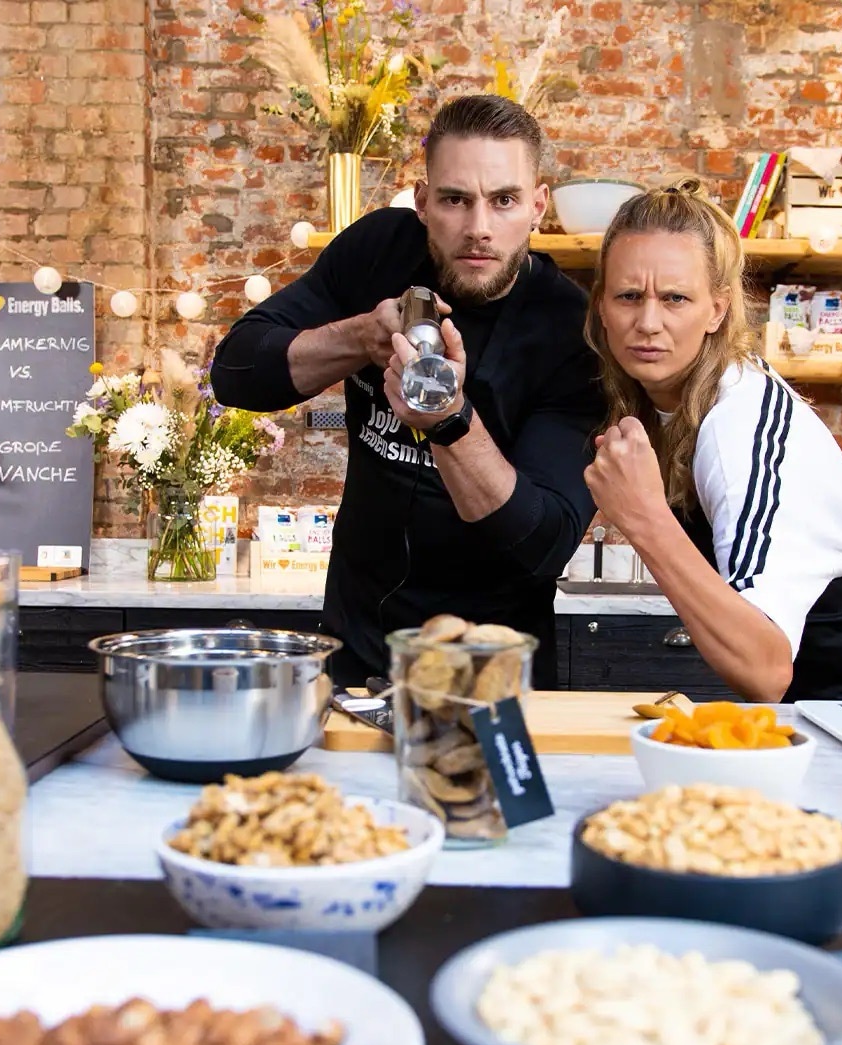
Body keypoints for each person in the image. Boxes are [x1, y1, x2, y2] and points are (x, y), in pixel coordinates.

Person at [210, 95, 603, 689]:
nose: (479, 229)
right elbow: (237, 372)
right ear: (421, 202)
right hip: (356, 643)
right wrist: (361, 336)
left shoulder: (569, 331)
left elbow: (543, 543)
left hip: (489, 663)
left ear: (537, 206)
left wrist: (449, 421)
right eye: (454, 200)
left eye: (504, 201)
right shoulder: (378, 251)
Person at [581, 177, 842, 703]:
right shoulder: (660, 398)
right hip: (825, 698)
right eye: (629, 296)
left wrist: (642, 516)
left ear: (718, 310)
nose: (648, 322)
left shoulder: (739, 429)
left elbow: (764, 667)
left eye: (676, 298)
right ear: (601, 307)